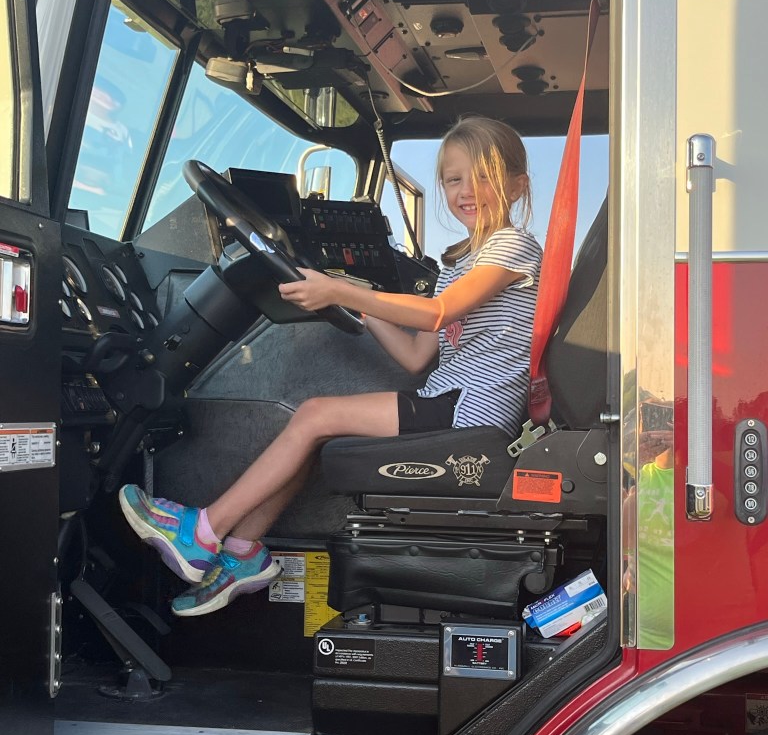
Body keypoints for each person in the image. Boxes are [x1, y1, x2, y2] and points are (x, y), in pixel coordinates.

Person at [119, 116, 543, 616]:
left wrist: (339, 289)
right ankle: (243, 552)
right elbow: (415, 356)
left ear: (517, 185)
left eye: (483, 176)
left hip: (473, 412)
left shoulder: (512, 246)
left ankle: (202, 533)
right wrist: (353, 298)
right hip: (449, 401)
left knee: (315, 414)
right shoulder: (461, 264)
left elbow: (437, 313)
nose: (465, 190)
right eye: (453, 179)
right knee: (317, 428)